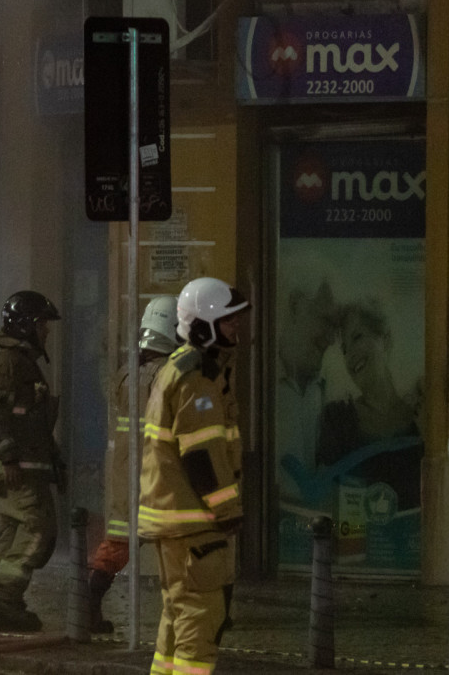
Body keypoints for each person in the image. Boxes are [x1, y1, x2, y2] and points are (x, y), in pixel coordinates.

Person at [139, 277, 249, 675]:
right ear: (204, 325)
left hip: (178, 519)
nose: (237, 327)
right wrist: (228, 509)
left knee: (177, 618)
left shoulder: (185, 370)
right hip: (193, 521)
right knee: (201, 622)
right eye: (229, 320)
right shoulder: (197, 377)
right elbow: (201, 455)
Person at [87, 295, 179, 634]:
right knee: (182, 543)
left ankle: (88, 607)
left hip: (126, 473)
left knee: (117, 543)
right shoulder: (169, 376)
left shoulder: (127, 376)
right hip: (160, 473)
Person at [0, 290, 66, 632]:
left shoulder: (22, 363)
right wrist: (10, 458)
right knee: (38, 530)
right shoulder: (9, 364)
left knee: (9, 535)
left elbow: (33, 422)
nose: (46, 331)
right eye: (42, 324)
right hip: (17, 470)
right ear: (27, 325)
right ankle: (5, 601)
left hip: (22, 467)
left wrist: (54, 460)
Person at [315, 299, 423, 510]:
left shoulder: (419, 414)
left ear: (386, 340)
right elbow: (325, 504)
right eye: (345, 349)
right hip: (356, 539)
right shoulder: (337, 419)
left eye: (357, 337)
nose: (351, 354)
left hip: (415, 542)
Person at [275, 269, 337, 505]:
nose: (331, 339)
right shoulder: (259, 382)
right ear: (295, 306)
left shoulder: (326, 388)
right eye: (325, 320)